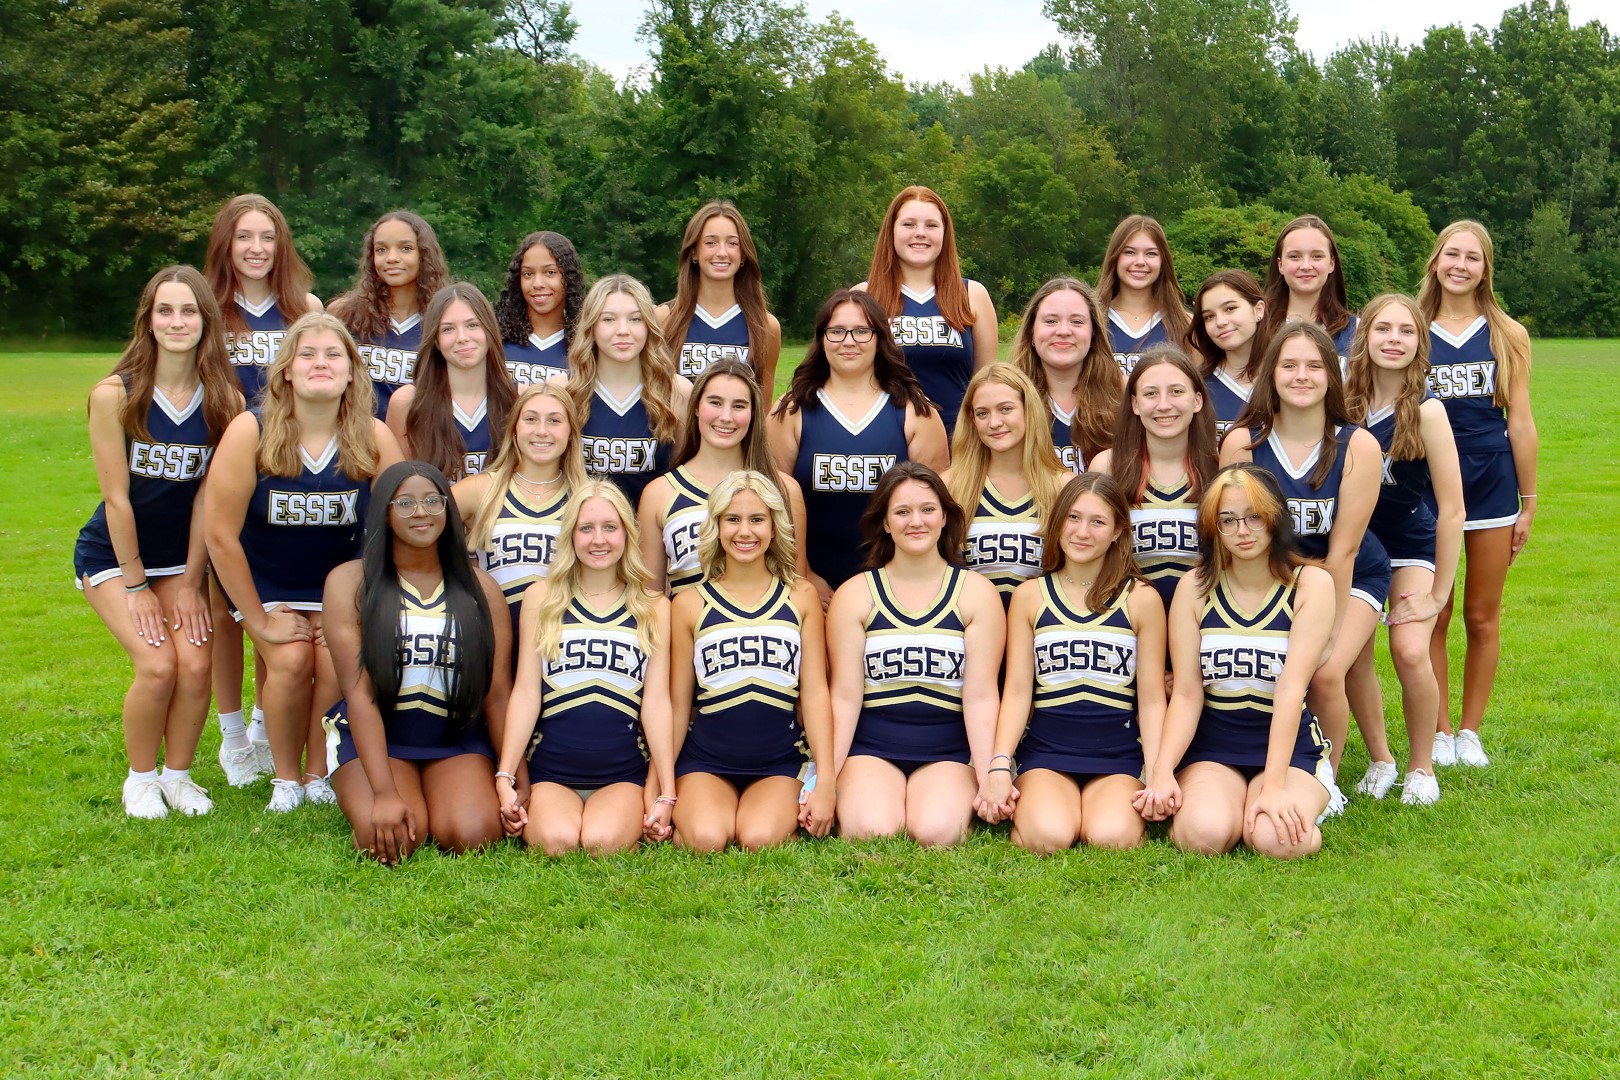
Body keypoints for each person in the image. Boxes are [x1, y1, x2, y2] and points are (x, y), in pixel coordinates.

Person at [206, 312, 404, 813]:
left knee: (334, 660)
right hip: (265, 582)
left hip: (337, 586)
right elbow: (220, 535)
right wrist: (259, 620)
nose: (321, 363)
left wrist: (356, 603)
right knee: (290, 660)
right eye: (307, 354)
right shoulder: (251, 430)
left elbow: (398, 523)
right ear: (286, 370)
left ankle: (318, 773)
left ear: (352, 371)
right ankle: (286, 779)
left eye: (334, 354)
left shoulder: (373, 435)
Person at [74, 266, 242, 817]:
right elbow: (116, 500)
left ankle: (177, 777)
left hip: (180, 560)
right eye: (164, 311)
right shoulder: (114, 395)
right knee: (158, 666)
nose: (177, 322)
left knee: (194, 665)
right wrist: (136, 586)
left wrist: (192, 582)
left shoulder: (225, 399)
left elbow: (206, 501)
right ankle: (140, 779)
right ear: (147, 320)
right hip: (115, 557)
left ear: (206, 320)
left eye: (189, 311)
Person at [1221, 322, 1385, 804]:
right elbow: (1231, 528)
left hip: (1348, 574)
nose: (1301, 376)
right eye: (1289, 365)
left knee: (1325, 671)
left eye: (1314, 366)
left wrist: (1327, 630)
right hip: (1272, 579)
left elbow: (1345, 550)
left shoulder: (1357, 445)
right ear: (1271, 374)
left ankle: (1323, 782)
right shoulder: (1243, 443)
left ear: (1332, 376)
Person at [1140, 464, 1334, 858]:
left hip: (1290, 749)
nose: (1242, 531)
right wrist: (1161, 771)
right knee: (1201, 835)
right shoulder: (1195, 588)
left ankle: (1293, 794)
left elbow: (1291, 689)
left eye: (1254, 517)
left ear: (1275, 517)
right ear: (1213, 528)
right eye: (1228, 520)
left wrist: (1274, 787)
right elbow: (1187, 694)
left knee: (1277, 840)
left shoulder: (1310, 584)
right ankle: (1235, 802)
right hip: (1213, 747)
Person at [322, 462, 511, 863]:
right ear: (385, 513)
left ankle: (439, 794)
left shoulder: (481, 588)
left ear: (448, 509)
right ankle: (383, 788)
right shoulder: (349, 582)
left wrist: (513, 777)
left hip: (454, 739)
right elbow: (360, 695)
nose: (420, 512)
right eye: (405, 503)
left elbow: (497, 694)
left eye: (432, 501)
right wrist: (385, 793)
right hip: (379, 738)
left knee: (473, 834)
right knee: (390, 841)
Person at [202, 194, 324, 786]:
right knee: (224, 606)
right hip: (219, 463)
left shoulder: (304, 307)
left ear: (282, 245)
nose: (256, 248)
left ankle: (261, 720)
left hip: (283, 469)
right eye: (244, 237)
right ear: (225, 244)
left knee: (273, 595)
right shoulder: (208, 306)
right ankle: (232, 735)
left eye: (267, 237)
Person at [977, 473, 1167, 853]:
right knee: (1047, 836)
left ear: (1117, 531)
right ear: (1058, 521)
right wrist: (999, 765)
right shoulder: (1030, 596)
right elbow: (1017, 692)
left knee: (1112, 838)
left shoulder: (1141, 599)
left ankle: (1097, 807)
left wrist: (1159, 772)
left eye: (1098, 522)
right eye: (1073, 518)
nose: (1082, 532)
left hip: (1117, 755)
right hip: (1046, 753)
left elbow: (1150, 700)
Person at [825, 463, 1004, 846]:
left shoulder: (976, 592)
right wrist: (825, 779)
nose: (916, 521)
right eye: (902, 512)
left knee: (937, 831)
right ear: (885, 523)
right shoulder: (855, 593)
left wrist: (989, 777)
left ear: (945, 516)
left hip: (947, 751)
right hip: (871, 750)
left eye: (927, 509)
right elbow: (844, 696)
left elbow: (981, 696)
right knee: (871, 830)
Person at [496, 482, 676, 855]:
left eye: (610, 527)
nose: (598, 540)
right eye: (586, 528)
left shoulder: (653, 605)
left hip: (622, 775)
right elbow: (526, 692)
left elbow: (657, 702)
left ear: (627, 533)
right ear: (570, 535)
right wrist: (505, 776)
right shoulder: (542, 598)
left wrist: (666, 792)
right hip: (552, 774)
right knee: (556, 842)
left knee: (602, 843)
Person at [1419, 221, 1538, 768]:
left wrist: (1529, 501)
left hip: (1492, 484)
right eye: (1452, 254)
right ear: (1436, 261)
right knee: (1434, 613)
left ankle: (1470, 731)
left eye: (1472, 257)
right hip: (1426, 484)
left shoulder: (1507, 333)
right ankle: (1439, 729)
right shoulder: (1413, 327)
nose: (1460, 265)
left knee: (1482, 615)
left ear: (1486, 268)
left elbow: (1522, 421)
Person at [667, 472, 836, 850]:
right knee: (707, 838)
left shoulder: (801, 596)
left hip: (780, 760)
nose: (745, 531)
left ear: (774, 527)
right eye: (733, 519)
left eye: (757, 519)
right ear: (716, 527)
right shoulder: (689, 603)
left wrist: (826, 780)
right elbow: (677, 705)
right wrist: (659, 787)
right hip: (705, 760)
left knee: (759, 838)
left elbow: (814, 694)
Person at [1343, 293, 1464, 804]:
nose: (1394, 340)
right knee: (1353, 655)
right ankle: (1381, 759)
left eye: (1406, 331)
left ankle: (1422, 767)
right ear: (1364, 336)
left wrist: (1438, 595)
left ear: (1420, 342)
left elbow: (1453, 509)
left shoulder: (1427, 410)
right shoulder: (1340, 400)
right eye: (1383, 329)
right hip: (1353, 543)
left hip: (1409, 542)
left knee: (1410, 650)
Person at [767, 290, 948, 604]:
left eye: (862, 331)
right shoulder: (791, 410)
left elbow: (933, 509)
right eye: (837, 331)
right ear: (821, 338)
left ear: (880, 338)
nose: (848, 341)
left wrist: (901, 580)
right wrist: (804, 574)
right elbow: (773, 504)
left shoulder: (916, 411)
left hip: (895, 585)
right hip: (811, 586)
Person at [638, 358, 809, 595]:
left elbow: (797, 590)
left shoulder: (784, 490)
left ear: (753, 413)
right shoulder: (659, 493)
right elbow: (650, 597)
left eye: (739, 406)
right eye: (715, 403)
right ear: (696, 407)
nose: (726, 416)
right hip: (686, 618)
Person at [454, 382, 589, 649]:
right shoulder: (481, 490)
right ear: (514, 430)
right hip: (491, 640)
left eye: (554, 421)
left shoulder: (586, 499)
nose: (542, 431)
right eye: (530, 419)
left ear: (571, 433)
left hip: (562, 643)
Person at [857, 186, 997, 437]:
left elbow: (987, 382)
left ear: (945, 233)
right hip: (884, 439)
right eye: (908, 224)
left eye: (931, 225)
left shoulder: (973, 295)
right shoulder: (864, 296)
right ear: (891, 231)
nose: (920, 233)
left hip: (958, 441)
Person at [1089, 346, 1219, 613]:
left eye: (1176, 391)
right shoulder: (1107, 466)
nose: (1164, 405)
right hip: (1128, 617)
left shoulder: (1220, 466)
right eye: (1151, 394)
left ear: (1197, 400)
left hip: (1205, 617)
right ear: (1135, 404)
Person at [943, 364, 1070, 603]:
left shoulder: (1063, 487)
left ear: (1028, 410)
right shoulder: (950, 486)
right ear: (972, 419)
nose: (994, 422)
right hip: (969, 621)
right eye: (982, 413)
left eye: (1006, 409)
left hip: (1042, 620)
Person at [567, 274, 690, 510]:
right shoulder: (566, 390)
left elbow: (683, 477)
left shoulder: (677, 391)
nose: (623, 330)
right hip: (582, 526)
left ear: (648, 326)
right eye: (609, 319)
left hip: (652, 526)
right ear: (591, 326)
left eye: (635, 319)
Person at [386, 282, 517, 481]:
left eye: (472, 325)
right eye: (448, 329)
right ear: (436, 340)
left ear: (489, 330)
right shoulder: (406, 403)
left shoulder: (519, 399)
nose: (462, 337)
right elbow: (399, 488)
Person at [329, 210, 451, 419]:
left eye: (405, 248)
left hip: (418, 435)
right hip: (357, 434)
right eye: (381, 250)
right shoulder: (344, 314)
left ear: (424, 255)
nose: (392, 258)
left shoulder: (444, 319)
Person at [656, 200, 782, 391]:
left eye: (732, 243)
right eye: (711, 243)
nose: (722, 252)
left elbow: (762, 406)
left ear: (743, 255)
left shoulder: (766, 327)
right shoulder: (663, 319)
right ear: (694, 252)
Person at [1008, 277, 1121, 471]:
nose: (1063, 331)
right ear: (1031, 331)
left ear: (1094, 332)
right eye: (1051, 321)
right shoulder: (1007, 396)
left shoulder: (1125, 394)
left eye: (1077, 322)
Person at [1096, 215, 1192, 375]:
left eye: (1151, 253)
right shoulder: (1091, 320)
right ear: (1115, 257)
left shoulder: (1186, 324)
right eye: (1129, 252)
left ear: (1163, 262)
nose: (1140, 261)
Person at [494, 230, 585, 387]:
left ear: (569, 277)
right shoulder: (497, 337)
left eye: (550, 272)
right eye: (528, 274)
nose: (537, 284)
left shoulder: (585, 343)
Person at [1263, 214, 1357, 363]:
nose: (1306, 266)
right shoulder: (1256, 325)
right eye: (1295, 256)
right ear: (1280, 265)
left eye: (1317, 256)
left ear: (1331, 263)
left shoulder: (1356, 331)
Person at [1190, 269, 1270, 436]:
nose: (1220, 322)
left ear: (1259, 310)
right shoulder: (1196, 386)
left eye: (1230, 308)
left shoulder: (1289, 378)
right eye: (1209, 316)